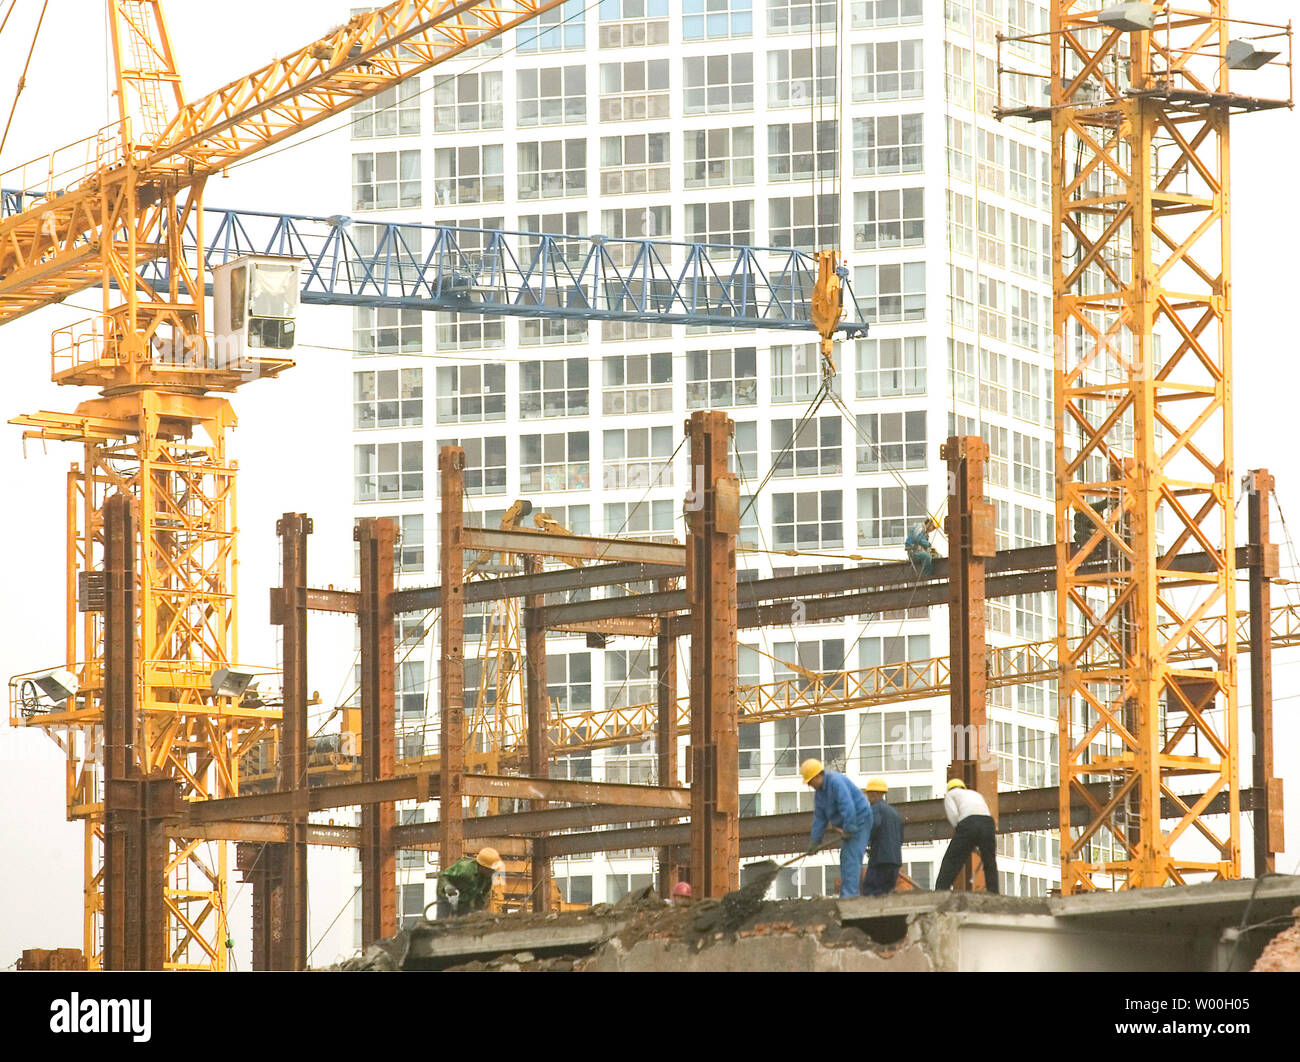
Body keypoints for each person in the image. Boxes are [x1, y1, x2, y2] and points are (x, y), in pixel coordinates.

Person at [802, 758, 873, 899]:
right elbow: (820, 818)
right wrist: (815, 842)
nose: (810, 785)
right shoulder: (820, 794)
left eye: (810, 781)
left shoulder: (836, 782)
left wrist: (849, 828)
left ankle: (850, 896)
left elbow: (848, 806)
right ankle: (847, 894)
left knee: (851, 857)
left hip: (860, 820)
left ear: (818, 776)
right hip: (849, 824)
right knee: (845, 857)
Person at [934, 779, 999, 893]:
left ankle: (941, 890)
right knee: (989, 860)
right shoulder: (975, 794)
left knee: (952, 859)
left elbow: (953, 815)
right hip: (988, 823)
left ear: (949, 788)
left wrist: (961, 833)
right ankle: (993, 892)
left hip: (968, 822)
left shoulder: (950, 794)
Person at [435, 846, 505, 918]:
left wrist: (478, 911)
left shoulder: (487, 878)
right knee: (442, 920)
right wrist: (448, 887)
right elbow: (443, 876)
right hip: (447, 896)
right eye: (491, 869)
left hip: (465, 899)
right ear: (482, 866)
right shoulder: (465, 869)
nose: (493, 872)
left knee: (464, 921)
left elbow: (481, 897)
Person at [861, 778, 903, 896]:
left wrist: (861, 840)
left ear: (874, 794)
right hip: (894, 861)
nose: (868, 797)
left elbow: (873, 827)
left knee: (870, 891)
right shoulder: (894, 813)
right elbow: (900, 838)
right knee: (887, 893)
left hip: (880, 860)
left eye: (868, 794)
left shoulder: (875, 809)